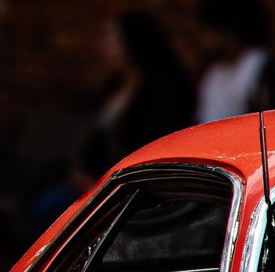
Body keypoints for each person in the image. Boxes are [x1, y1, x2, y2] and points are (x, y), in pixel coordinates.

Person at [79, 11, 195, 175]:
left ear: (132, 42)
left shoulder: (163, 89)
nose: (103, 46)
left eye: (111, 39)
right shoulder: (114, 85)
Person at [193, 0, 271, 123]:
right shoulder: (214, 73)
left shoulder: (261, 66)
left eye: (209, 31)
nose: (202, 39)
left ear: (229, 32)